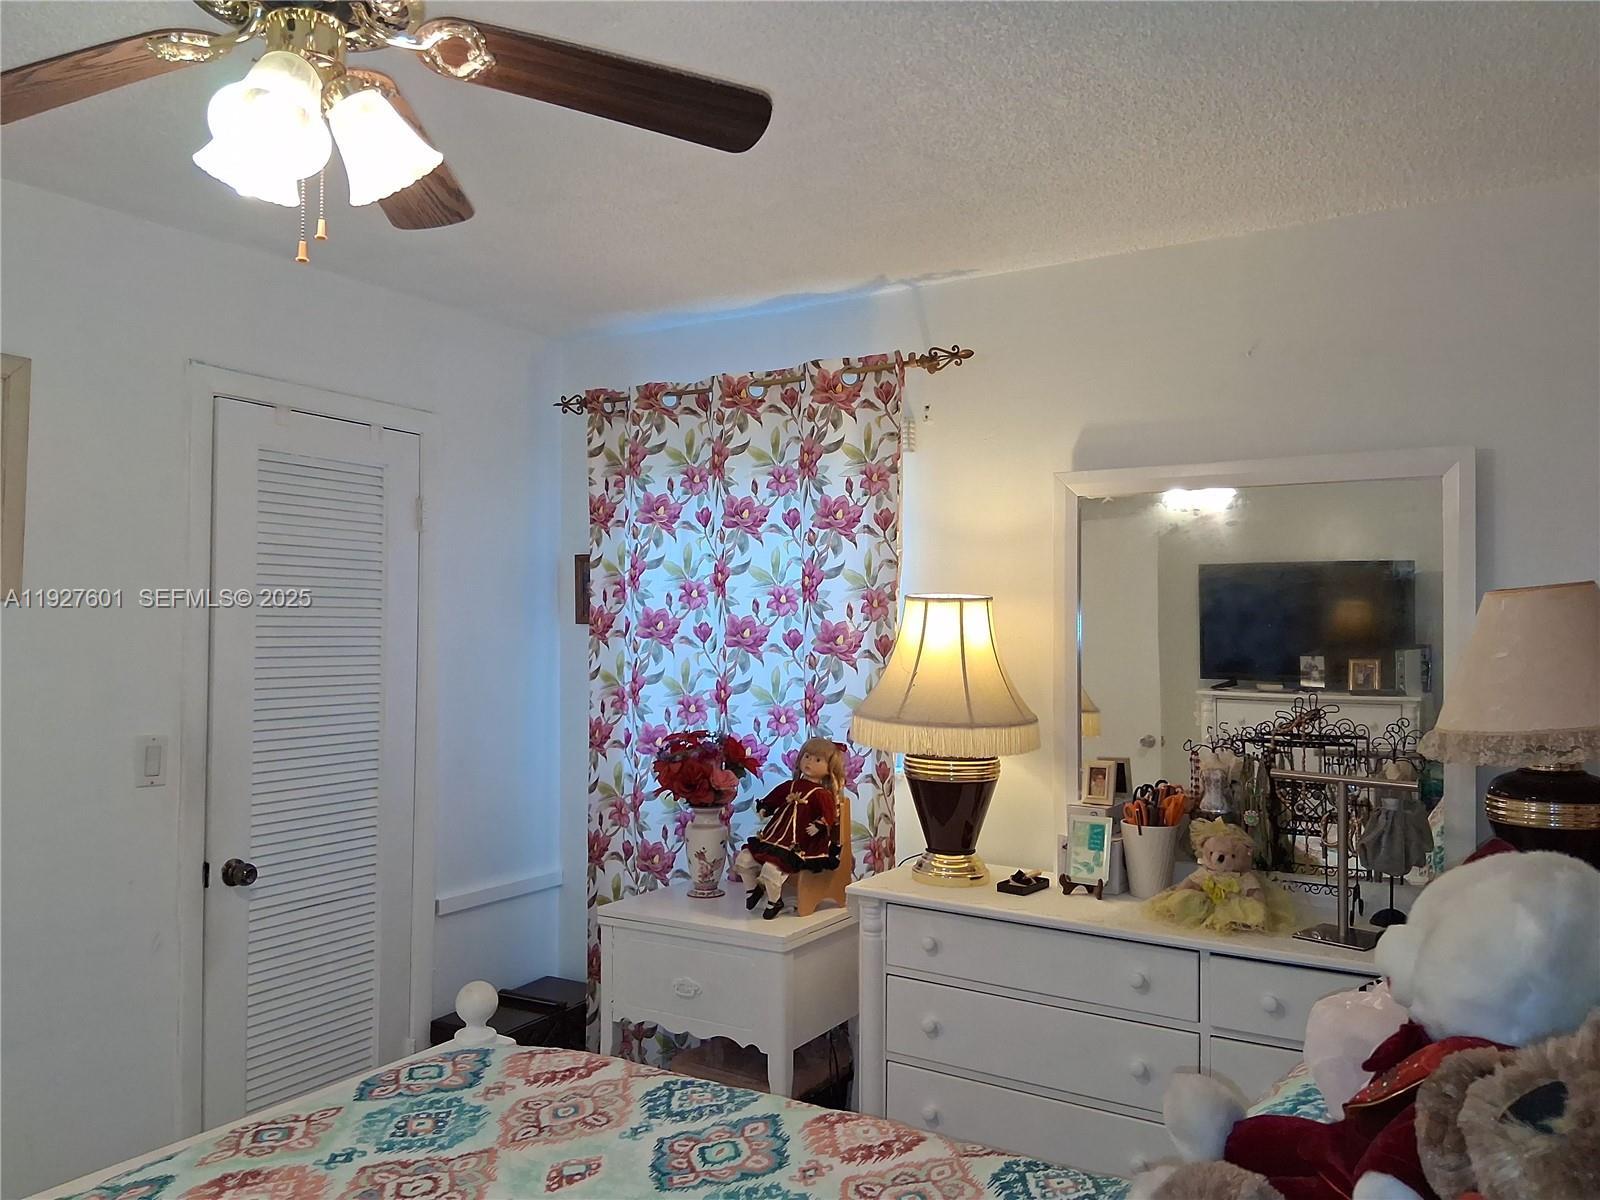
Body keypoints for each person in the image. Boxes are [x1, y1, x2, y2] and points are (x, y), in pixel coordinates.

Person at [733, 736, 844, 919]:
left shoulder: (821, 794)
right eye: (806, 756)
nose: (809, 762)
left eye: (817, 760)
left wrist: (819, 825)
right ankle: (752, 890)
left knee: (771, 868)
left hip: (800, 842)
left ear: (829, 769)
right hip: (775, 835)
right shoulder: (791, 785)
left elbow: (829, 815)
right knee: (744, 859)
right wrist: (766, 807)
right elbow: (775, 796)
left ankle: (775, 901)